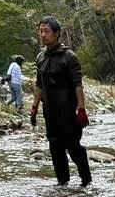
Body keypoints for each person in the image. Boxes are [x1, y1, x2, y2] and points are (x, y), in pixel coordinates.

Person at [30, 16, 92, 187]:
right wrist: (34, 107)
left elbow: (77, 85)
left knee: (73, 147)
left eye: (46, 31)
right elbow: (39, 84)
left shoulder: (69, 57)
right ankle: (62, 182)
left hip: (69, 111)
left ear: (56, 33)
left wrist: (81, 109)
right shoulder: (40, 57)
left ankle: (86, 180)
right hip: (50, 111)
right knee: (55, 147)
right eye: (40, 31)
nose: (43, 34)